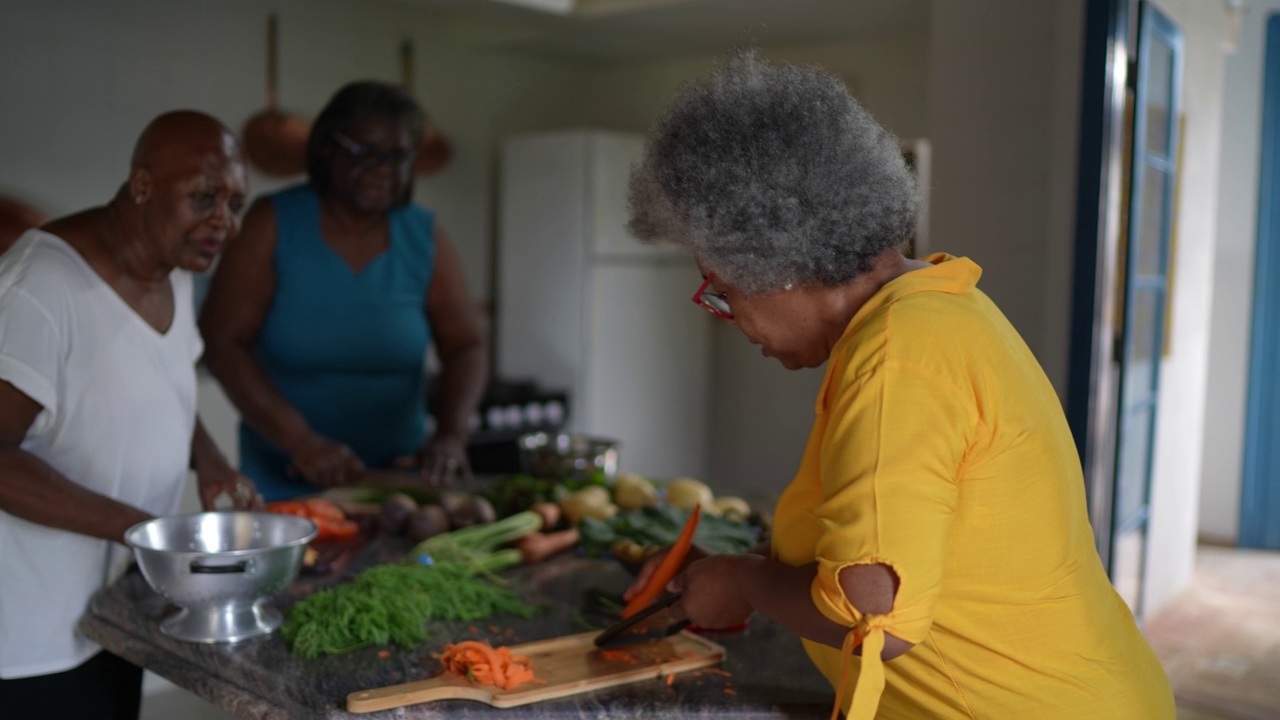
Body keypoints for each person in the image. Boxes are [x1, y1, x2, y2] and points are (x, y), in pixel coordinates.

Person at [624, 51, 1175, 719]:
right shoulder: (939, 308)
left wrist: (743, 580)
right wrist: (743, 573)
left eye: (722, 289)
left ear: (780, 265)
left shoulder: (897, 359)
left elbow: (873, 614)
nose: (730, 316)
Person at [0, 111, 261, 720]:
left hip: (117, 608)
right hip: (29, 636)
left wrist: (211, 461)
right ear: (142, 184)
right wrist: (149, 532)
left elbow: (162, 385)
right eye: (204, 197)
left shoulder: (175, 270)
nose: (224, 220)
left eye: (236, 203)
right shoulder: (42, 287)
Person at [199, 81, 488, 501]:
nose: (382, 169)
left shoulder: (424, 235)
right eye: (364, 152)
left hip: (398, 484)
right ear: (327, 149)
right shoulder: (273, 224)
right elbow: (223, 344)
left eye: (397, 157)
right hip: (288, 477)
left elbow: (467, 346)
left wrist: (451, 433)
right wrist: (300, 441)